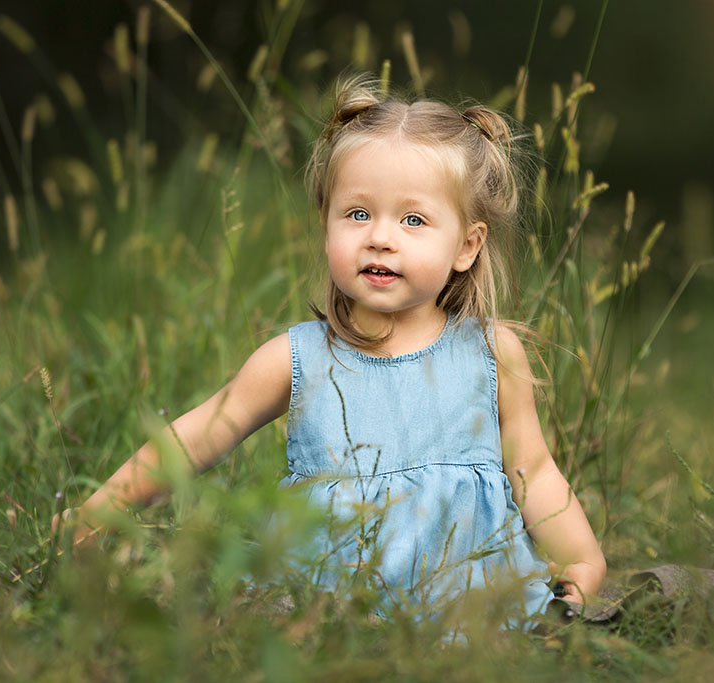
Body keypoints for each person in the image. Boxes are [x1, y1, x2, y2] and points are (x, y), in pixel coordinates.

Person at [53, 75, 606, 625]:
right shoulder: (297, 359)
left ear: (467, 245)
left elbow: (531, 468)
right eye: (358, 214)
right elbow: (195, 440)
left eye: (413, 220)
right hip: (326, 608)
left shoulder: (489, 352)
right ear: (326, 226)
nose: (380, 237)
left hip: (471, 607)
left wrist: (579, 561)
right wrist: (100, 511)